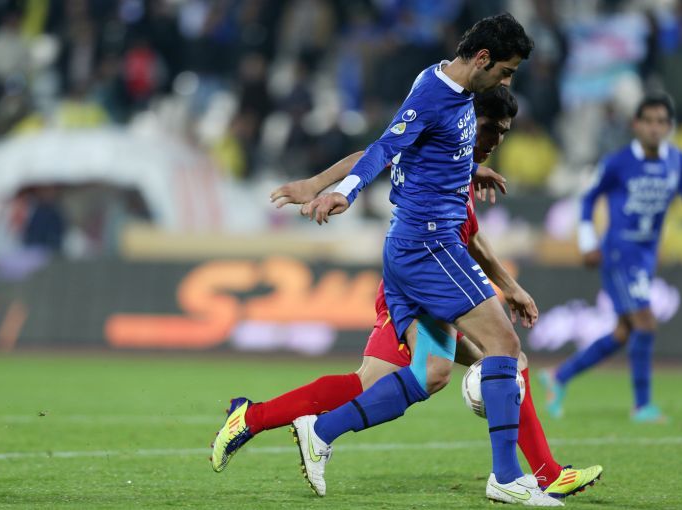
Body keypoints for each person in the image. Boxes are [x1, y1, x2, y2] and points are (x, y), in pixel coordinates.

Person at [211, 87, 603, 499]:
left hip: (428, 280)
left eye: (504, 133)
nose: (496, 140)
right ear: (470, 121)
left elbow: (472, 238)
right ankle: (534, 473)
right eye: (491, 129)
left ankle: (254, 418)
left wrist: (509, 282)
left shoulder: (457, 165)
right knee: (485, 358)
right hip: (419, 280)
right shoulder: (440, 143)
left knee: (400, 377)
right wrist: (317, 183)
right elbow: (377, 153)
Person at [286, 14, 559, 506]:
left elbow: (428, 145)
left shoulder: (446, 84)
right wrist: (344, 191)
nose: (506, 82)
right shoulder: (433, 92)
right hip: (429, 244)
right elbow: (386, 147)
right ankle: (506, 476)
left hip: (411, 246)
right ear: (482, 59)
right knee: (502, 344)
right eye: (506, 71)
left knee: (432, 372)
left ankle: (320, 430)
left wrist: (470, 168)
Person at [540, 93, 682, 422]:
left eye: (661, 122)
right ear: (636, 125)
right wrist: (587, 241)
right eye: (648, 121)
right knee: (645, 322)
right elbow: (589, 199)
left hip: (647, 254)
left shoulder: (678, 162)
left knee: (623, 332)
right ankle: (642, 405)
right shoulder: (618, 162)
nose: (654, 128)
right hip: (619, 252)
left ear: (669, 126)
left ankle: (559, 376)